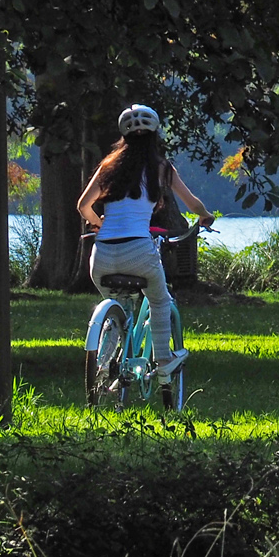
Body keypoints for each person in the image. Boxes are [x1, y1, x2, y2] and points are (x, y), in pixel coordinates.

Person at [76, 105, 213, 378]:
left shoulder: (108, 167)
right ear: (154, 135)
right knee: (160, 301)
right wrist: (205, 216)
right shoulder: (161, 168)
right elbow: (192, 203)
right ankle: (163, 360)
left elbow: (83, 205)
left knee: (116, 305)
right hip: (138, 251)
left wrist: (99, 224)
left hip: (101, 257)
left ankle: (108, 363)